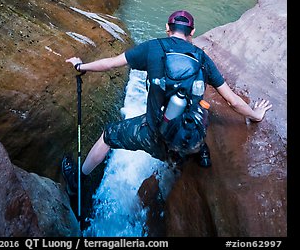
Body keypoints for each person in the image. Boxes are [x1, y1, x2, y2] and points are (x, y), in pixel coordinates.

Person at [62, 10, 272, 195]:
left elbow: (110, 64)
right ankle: (200, 152)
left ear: (167, 29)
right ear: (192, 32)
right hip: (189, 141)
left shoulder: (152, 48)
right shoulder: (202, 58)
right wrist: (255, 115)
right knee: (199, 110)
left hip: (153, 136)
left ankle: (77, 181)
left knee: (108, 135)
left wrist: (81, 66)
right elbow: (233, 101)